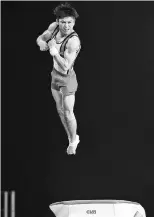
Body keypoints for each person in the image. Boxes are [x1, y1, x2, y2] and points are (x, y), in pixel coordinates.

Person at [36, 2, 81, 155]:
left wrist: (54, 51)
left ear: (74, 22)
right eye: (63, 22)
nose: (66, 26)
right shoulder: (53, 27)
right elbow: (41, 38)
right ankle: (70, 135)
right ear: (58, 21)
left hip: (67, 79)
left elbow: (66, 67)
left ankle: (74, 140)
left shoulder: (73, 41)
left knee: (68, 113)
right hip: (55, 76)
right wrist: (42, 43)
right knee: (60, 110)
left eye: (70, 22)